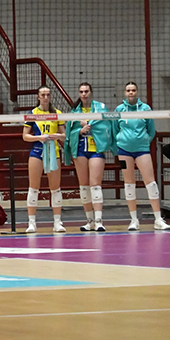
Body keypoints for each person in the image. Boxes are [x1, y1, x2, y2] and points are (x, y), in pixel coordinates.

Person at [115, 82, 170, 230]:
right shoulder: (119, 109)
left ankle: (158, 219)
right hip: (124, 151)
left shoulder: (145, 109)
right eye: (128, 90)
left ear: (137, 92)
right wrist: (120, 140)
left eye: (133, 90)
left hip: (142, 150)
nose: (131, 92)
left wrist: (144, 141)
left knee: (151, 183)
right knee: (129, 184)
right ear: (125, 92)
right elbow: (115, 129)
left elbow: (151, 130)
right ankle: (134, 220)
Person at [64, 83, 114, 231]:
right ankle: (89, 221)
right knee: (84, 186)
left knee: (95, 184)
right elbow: (69, 133)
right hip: (80, 150)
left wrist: (90, 124)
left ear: (91, 92)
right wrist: (80, 131)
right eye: (81, 92)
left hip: (96, 149)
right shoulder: (75, 112)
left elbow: (106, 127)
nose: (84, 94)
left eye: (86, 91)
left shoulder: (100, 108)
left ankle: (99, 221)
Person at [22, 86, 66, 233]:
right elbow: (25, 136)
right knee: (33, 188)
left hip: (53, 152)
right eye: (43, 95)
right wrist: (39, 137)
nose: (46, 97)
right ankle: (31, 223)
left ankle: (57, 222)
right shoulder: (32, 114)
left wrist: (57, 136)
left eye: (48, 94)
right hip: (37, 152)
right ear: (38, 97)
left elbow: (64, 135)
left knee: (55, 188)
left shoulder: (57, 113)